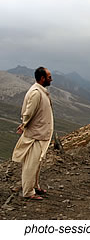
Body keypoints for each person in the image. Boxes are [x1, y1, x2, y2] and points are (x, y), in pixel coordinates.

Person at [12, 66, 54, 200]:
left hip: (40, 133)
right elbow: (28, 112)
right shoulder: (36, 92)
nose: (51, 79)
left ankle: (35, 186)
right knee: (31, 164)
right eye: (49, 77)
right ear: (42, 78)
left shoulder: (41, 91)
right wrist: (24, 124)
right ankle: (28, 192)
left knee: (37, 163)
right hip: (35, 134)